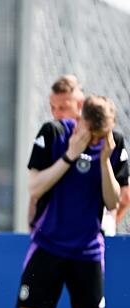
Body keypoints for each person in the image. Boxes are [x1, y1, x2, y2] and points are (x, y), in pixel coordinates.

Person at [1, 96, 128, 308]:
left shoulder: (113, 146)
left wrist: (102, 160)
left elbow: (113, 202)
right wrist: (72, 154)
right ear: (81, 118)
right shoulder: (54, 133)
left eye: (103, 134)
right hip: (47, 247)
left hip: (87, 252)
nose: (97, 138)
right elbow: (35, 185)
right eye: (92, 132)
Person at [29, 75, 130, 233]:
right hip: (50, 238)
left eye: (63, 108)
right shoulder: (53, 133)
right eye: (53, 107)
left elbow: (122, 197)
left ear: (80, 106)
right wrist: (32, 226)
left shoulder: (111, 142)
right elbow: (35, 190)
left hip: (91, 240)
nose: (56, 114)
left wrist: (109, 227)